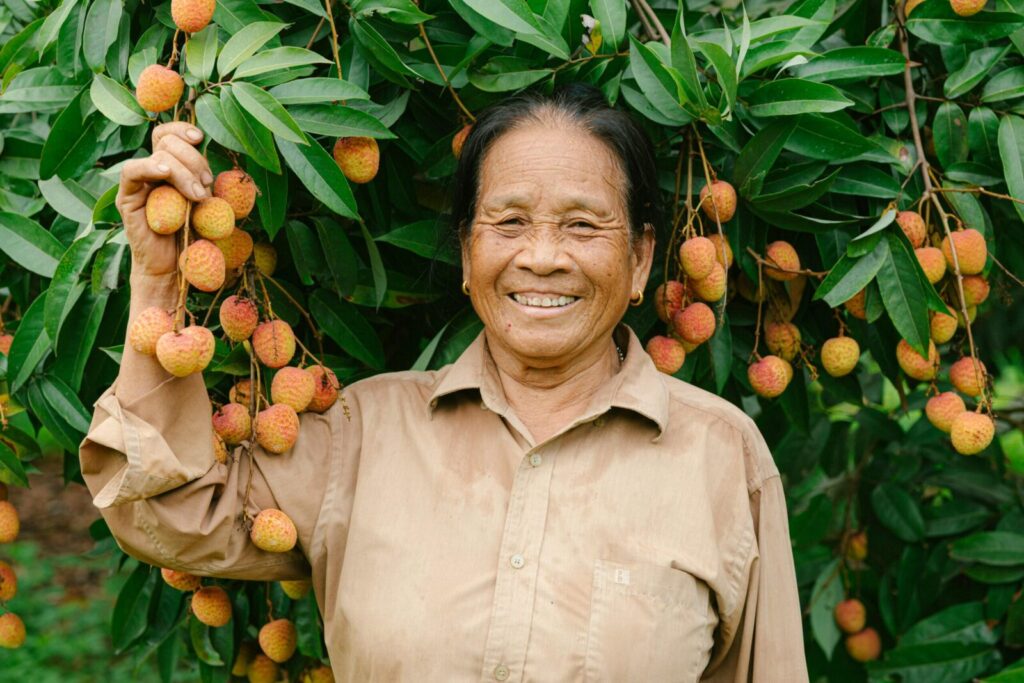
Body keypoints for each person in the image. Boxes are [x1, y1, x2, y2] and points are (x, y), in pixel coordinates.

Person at [80, 83, 808, 681]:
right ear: (466, 253)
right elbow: (168, 514)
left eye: (583, 226)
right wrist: (157, 272)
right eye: (509, 220)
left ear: (643, 260)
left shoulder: (722, 456)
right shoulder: (363, 434)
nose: (543, 256)